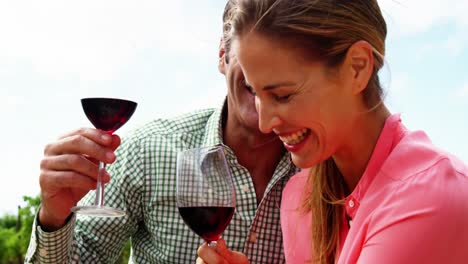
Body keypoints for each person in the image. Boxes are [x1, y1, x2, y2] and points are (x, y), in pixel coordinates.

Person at [24, 1, 298, 263]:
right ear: (223, 56)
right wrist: (53, 218)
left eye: (286, 56)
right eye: (255, 50)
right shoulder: (147, 151)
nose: (267, 74)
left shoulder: (325, 168)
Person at [197, 0, 468, 263]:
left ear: (357, 68)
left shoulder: (427, 200)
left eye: (282, 95)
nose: (265, 123)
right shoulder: (302, 199)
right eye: (255, 92)